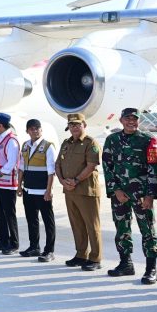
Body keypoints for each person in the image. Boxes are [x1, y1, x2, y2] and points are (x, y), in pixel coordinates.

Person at [102, 108, 157, 284]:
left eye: (134, 119)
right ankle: (125, 263)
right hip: (120, 194)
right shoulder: (112, 140)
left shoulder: (148, 140)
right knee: (122, 228)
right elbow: (107, 166)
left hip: (141, 195)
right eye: (127, 119)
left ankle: (151, 269)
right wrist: (115, 190)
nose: (131, 122)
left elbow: (154, 168)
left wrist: (151, 195)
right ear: (121, 120)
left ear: (138, 121)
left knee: (148, 230)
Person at [56, 113, 103, 271]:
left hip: (86, 190)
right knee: (77, 224)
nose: (74, 127)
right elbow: (58, 164)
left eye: (77, 124)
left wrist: (75, 181)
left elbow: (91, 165)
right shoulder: (66, 143)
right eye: (71, 125)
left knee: (92, 225)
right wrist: (63, 181)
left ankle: (95, 258)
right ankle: (81, 255)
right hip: (69, 190)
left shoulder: (91, 143)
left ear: (84, 125)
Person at [18, 119, 56, 262]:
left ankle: (49, 250)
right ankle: (34, 246)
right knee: (31, 220)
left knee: (48, 221)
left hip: (42, 191)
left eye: (37, 128)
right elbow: (21, 167)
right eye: (32, 129)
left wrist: (49, 190)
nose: (35, 131)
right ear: (27, 131)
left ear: (41, 130)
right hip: (28, 189)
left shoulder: (48, 146)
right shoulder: (25, 145)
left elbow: (51, 171)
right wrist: (19, 186)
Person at [0, 113, 20, 255]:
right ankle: (3, 239)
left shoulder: (11, 141)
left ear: (0, 125)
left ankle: (14, 242)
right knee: (0, 213)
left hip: (7, 183)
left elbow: (11, 163)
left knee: (9, 214)